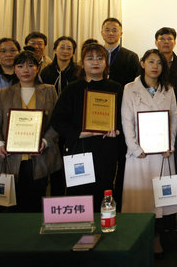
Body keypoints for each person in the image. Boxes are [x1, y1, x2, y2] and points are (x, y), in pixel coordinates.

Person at [51, 43, 123, 212]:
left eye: (100, 58)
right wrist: (79, 133)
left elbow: (123, 117)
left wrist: (117, 129)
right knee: (79, 196)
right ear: (82, 63)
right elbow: (57, 121)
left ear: (106, 62)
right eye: (90, 58)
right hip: (79, 148)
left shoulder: (115, 88)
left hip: (106, 149)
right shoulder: (72, 89)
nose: (95, 62)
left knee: (104, 193)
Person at [121, 49, 177, 257]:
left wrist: (170, 144)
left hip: (163, 153)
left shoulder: (168, 89)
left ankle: (156, 239)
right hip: (141, 153)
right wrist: (135, 147)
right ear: (142, 63)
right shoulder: (130, 88)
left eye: (160, 63)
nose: (155, 66)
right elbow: (126, 119)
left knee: (160, 199)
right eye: (151, 61)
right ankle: (137, 240)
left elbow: (174, 118)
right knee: (140, 199)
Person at [0, 50, 60, 212]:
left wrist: (45, 141)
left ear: (38, 68)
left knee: (34, 206)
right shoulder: (4, 93)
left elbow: (56, 123)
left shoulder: (49, 91)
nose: (25, 70)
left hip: (38, 159)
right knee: (8, 207)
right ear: (14, 69)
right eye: (20, 66)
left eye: (30, 65)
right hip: (9, 159)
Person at [101, 17, 140, 209]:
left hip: (123, 113)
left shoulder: (130, 56)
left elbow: (134, 86)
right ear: (102, 32)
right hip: (99, 114)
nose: (111, 33)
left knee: (124, 158)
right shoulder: (96, 54)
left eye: (114, 30)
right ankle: (104, 197)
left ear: (121, 33)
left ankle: (121, 198)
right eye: (107, 29)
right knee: (104, 159)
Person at [155, 26, 177, 213]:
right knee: (155, 161)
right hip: (153, 119)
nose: (166, 42)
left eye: (169, 38)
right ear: (156, 42)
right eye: (162, 38)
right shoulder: (151, 61)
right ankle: (156, 198)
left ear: (174, 42)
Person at [40, 36, 81, 196]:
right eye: (62, 47)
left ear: (73, 52)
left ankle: (72, 197)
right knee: (55, 164)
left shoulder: (79, 71)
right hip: (51, 124)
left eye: (69, 48)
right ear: (54, 50)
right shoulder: (46, 72)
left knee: (72, 163)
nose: (65, 51)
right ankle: (56, 199)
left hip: (72, 124)